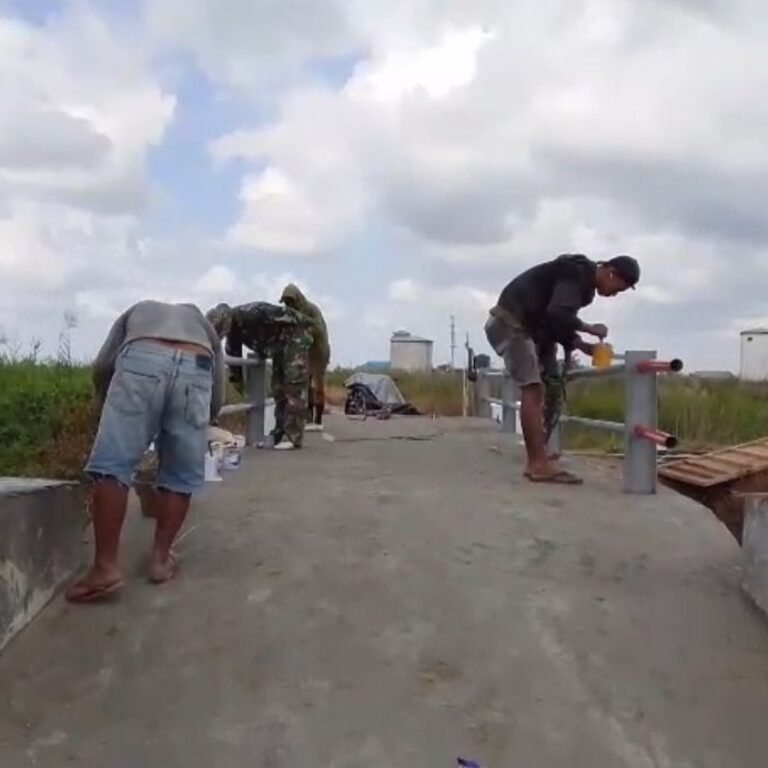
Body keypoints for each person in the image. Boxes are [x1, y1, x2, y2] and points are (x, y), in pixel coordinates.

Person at [66, 300, 225, 603]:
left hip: (142, 357)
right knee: (180, 473)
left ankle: (105, 568)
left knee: (113, 465)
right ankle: (160, 561)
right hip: (197, 364)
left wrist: (105, 403)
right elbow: (217, 381)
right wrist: (208, 415)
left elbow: (103, 365)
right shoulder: (200, 322)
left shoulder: (139, 310)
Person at [485, 254, 640, 485]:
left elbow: (555, 323)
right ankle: (537, 465)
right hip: (509, 322)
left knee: (548, 386)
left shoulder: (584, 288)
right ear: (610, 273)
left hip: (522, 327)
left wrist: (582, 345)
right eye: (618, 289)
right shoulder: (576, 272)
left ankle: (540, 454)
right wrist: (589, 328)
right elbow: (557, 313)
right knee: (533, 389)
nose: (614, 295)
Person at [206, 301, 313, 451]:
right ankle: (279, 433)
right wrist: (240, 386)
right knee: (278, 388)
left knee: (294, 385)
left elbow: (292, 318)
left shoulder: (253, 312)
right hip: (278, 347)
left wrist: (306, 328)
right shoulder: (233, 334)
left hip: (294, 338)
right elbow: (234, 360)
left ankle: (293, 437)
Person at [279, 283, 331, 432]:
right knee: (305, 385)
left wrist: (306, 332)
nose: (288, 304)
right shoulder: (291, 313)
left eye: (290, 301)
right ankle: (308, 416)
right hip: (304, 352)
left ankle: (318, 418)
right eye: (286, 302)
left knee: (318, 386)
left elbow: (318, 328)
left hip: (319, 352)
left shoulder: (312, 309)